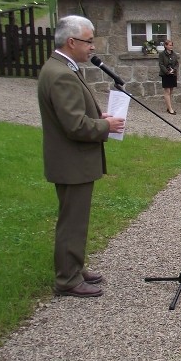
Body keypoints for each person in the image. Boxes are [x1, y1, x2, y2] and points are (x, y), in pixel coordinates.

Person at [37, 15, 125, 297]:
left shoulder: (61, 67)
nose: (92, 47)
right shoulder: (61, 74)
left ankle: (74, 267)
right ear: (71, 41)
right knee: (72, 221)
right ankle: (68, 279)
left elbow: (72, 115)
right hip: (71, 162)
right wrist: (105, 126)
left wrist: (96, 116)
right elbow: (74, 126)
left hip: (70, 161)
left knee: (76, 219)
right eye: (89, 41)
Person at [158, 39, 180, 114]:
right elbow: (161, 64)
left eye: (172, 45)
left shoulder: (174, 54)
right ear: (165, 46)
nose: (171, 46)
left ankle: (168, 107)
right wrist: (167, 71)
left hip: (173, 74)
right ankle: (170, 109)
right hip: (165, 74)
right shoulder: (162, 54)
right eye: (170, 45)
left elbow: (177, 63)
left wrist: (174, 70)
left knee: (171, 91)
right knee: (167, 91)